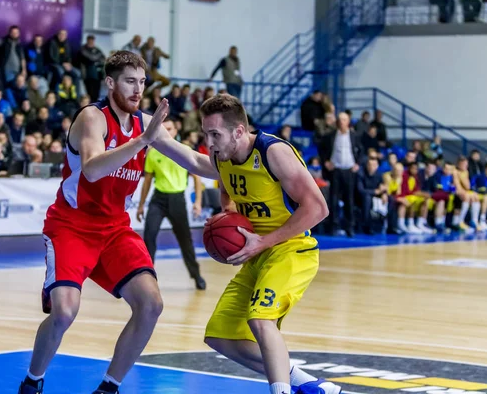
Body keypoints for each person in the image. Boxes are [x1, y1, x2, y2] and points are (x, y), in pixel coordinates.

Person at [17, 51, 218, 394]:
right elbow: (93, 169)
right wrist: (142, 140)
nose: (138, 90)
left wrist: (247, 162)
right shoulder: (92, 118)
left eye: (142, 82)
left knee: (151, 304)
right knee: (65, 312)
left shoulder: (145, 123)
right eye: (130, 81)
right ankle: (33, 382)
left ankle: (109, 388)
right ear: (110, 83)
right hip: (72, 225)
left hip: (114, 229)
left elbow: (195, 161)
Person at [198, 94, 342, 394]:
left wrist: (264, 241)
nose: (209, 142)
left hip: (291, 249)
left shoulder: (272, 152)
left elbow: (318, 208)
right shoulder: (220, 157)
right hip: (257, 253)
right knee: (219, 336)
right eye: (205, 133)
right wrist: (229, 213)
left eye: (215, 134)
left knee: (260, 319)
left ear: (238, 131)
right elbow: (227, 192)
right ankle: (308, 385)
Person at [136, 116, 206, 290]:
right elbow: (147, 181)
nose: (167, 131)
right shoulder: (152, 153)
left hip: (177, 199)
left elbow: (197, 178)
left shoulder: (184, 150)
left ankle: (196, 275)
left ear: (176, 131)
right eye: (164, 128)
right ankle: (148, 277)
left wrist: (198, 202)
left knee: (185, 241)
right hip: (158, 199)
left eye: (170, 128)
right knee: (149, 236)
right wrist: (141, 204)